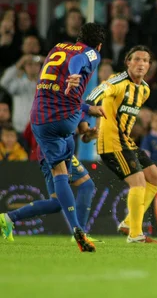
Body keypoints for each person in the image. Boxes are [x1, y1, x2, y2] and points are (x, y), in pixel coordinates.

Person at [28, 22, 106, 253]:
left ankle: (76, 229)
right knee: (79, 180)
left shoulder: (57, 47)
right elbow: (79, 61)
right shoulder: (90, 53)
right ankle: (78, 230)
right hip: (65, 116)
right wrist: (75, 74)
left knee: (59, 172)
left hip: (39, 119)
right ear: (99, 45)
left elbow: (55, 83)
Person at [86, 45, 157, 244]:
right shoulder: (117, 81)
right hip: (111, 142)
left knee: (155, 178)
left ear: (149, 66)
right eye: (137, 59)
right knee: (138, 181)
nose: (141, 64)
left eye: (145, 61)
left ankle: (129, 223)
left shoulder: (144, 89)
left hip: (126, 142)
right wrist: (89, 112)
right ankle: (135, 234)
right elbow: (96, 94)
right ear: (128, 62)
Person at [0, 121, 102, 243]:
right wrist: (90, 112)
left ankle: (9, 217)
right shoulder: (69, 104)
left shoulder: (68, 106)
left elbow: (79, 131)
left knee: (57, 203)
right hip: (55, 146)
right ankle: (80, 233)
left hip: (54, 146)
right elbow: (70, 120)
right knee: (86, 184)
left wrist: (87, 133)